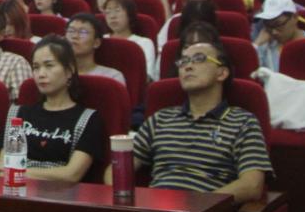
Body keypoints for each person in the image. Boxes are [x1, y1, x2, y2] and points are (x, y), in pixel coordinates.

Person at [110, 38, 272, 202]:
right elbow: (115, 171)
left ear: (222, 73)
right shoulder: (160, 119)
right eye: (183, 61)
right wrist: (130, 202)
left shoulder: (243, 122)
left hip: (207, 210)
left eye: (199, 59)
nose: (187, 66)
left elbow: (252, 185)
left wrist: (201, 205)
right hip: (156, 208)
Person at [0, 36, 104, 183]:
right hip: (17, 191)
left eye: (49, 65)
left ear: (69, 70)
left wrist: (18, 170)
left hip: (63, 194)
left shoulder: (87, 119)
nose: (41, 74)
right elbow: (1, 169)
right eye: (36, 67)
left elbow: (71, 175)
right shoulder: (18, 114)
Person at [103, 0, 159, 81]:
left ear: (129, 14)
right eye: (108, 12)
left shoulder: (144, 43)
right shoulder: (100, 40)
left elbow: (147, 77)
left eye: (117, 11)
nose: (112, 16)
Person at [253, 0, 305, 72]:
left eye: (278, 24)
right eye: (268, 26)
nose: (274, 32)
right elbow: (250, 73)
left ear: (295, 17)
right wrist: (257, 44)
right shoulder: (263, 47)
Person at [65, 14, 126, 86]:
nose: (74, 36)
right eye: (71, 31)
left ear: (96, 43)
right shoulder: (57, 73)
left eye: (83, 32)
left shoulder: (111, 77)